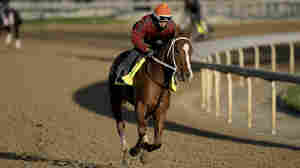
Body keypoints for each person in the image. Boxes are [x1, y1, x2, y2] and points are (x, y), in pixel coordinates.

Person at [115, 2, 177, 85]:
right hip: (144, 43)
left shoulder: (171, 26)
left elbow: (175, 39)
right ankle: (122, 75)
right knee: (133, 55)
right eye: (161, 21)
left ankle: (174, 77)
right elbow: (135, 38)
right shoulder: (145, 22)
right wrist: (145, 49)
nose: (164, 24)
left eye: (166, 21)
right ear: (155, 18)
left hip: (160, 44)